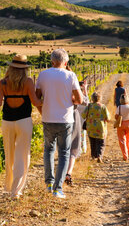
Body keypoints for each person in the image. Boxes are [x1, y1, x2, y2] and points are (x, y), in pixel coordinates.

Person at [36, 49, 82, 199]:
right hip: (65, 120)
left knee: (48, 150)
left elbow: (37, 98)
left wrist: (42, 112)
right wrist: (70, 101)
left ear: (51, 61)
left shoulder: (43, 75)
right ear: (66, 62)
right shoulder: (71, 75)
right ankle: (58, 189)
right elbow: (80, 100)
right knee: (63, 153)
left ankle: (49, 183)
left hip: (48, 119)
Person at [0, 54, 42, 199]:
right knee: (22, 155)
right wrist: (46, 100)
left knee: (9, 153)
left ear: (10, 67)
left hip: (7, 122)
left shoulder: (3, 83)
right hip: (24, 121)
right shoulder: (28, 82)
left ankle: (8, 185)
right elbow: (36, 102)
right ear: (25, 69)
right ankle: (16, 191)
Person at [65, 80, 89, 186]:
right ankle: (68, 172)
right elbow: (86, 102)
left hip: (62, 119)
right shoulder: (77, 98)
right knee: (75, 145)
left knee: (64, 146)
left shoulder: (64, 92)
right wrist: (85, 89)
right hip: (76, 120)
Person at [82, 92, 110, 163]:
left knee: (93, 142)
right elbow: (108, 117)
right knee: (101, 143)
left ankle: (93, 156)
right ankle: (99, 156)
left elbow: (83, 115)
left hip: (91, 128)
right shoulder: (103, 106)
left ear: (92, 98)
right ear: (100, 98)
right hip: (100, 128)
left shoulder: (89, 106)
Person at [115, 94, 129, 161]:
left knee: (122, 140)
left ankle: (125, 155)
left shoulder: (119, 107)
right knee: (127, 139)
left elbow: (116, 116)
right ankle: (128, 151)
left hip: (121, 124)